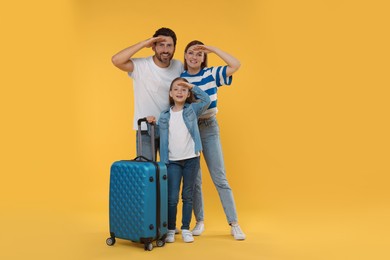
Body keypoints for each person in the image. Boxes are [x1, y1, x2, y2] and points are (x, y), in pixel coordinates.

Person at [180, 40, 246, 240]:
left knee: (220, 177)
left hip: (209, 126)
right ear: (184, 55)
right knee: (195, 179)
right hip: (189, 129)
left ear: (204, 57)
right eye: (191, 53)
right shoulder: (179, 78)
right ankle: (199, 221)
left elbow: (235, 65)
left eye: (199, 54)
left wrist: (213, 49)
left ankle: (234, 223)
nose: (194, 57)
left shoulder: (211, 74)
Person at [147, 77, 211, 243]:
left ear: (188, 93)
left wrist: (191, 86)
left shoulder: (192, 110)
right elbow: (159, 136)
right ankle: (170, 229)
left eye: (183, 89)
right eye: (176, 89)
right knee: (172, 197)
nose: (180, 92)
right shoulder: (164, 115)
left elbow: (206, 99)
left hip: (191, 159)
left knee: (188, 196)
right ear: (170, 93)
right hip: (172, 161)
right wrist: (151, 124)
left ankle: (185, 228)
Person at [111, 27, 183, 161]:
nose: (165, 50)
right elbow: (116, 60)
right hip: (145, 128)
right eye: (161, 45)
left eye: (169, 45)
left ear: (174, 48)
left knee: (168, 174)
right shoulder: (141, 66)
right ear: (153, 47)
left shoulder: (178, 66)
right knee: (147, 173)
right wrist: (144, 43)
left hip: (170, 129)